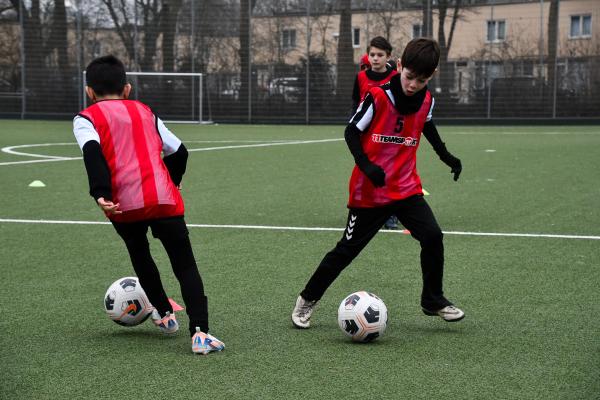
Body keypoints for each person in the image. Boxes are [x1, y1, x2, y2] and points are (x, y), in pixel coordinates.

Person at [292, 38, 464, 329]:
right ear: (399, 67)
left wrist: (447, 156)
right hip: (369, 191)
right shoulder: (377, 96)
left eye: (421, 80)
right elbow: (350, 132)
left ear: (431, 77)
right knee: (346, 250)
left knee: (433, 236)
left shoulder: (427, 100)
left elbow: (428, 126)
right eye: (409, 77)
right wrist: (366, 165)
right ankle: (307, 299)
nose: (412, 85)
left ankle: (432, 299)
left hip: (406, 188)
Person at [73, 55, 224, 355]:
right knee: (184, 264)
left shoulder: (86, 117)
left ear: (89, 91)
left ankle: (165, 316)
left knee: (140, 255)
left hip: (123, 205)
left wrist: (101, 194)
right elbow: (180, 151)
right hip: (164, 198)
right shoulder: (146, 112)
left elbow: (93, 153)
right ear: (127, 88)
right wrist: (174, 180)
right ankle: (200, 333)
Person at [352, 37, 400, 230]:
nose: (375, 58)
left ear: (388, 56)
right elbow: (356, 103)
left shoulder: (395, 77)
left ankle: (391, 214)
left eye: (380, 55)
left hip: (388, 134)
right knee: (367, 171)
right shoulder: (361, 77)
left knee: (390, 173)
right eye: (372, 54)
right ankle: (365, 210)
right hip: (366, 134)